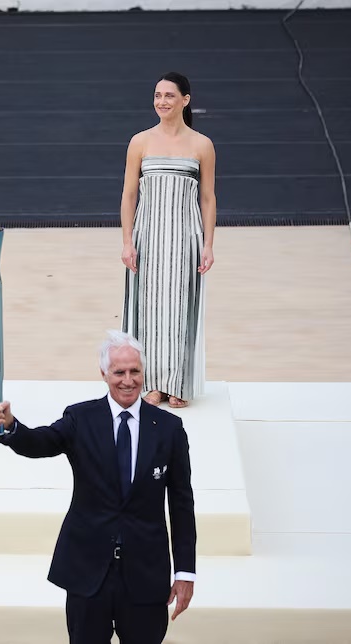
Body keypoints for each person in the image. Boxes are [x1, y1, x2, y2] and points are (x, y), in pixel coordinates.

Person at [0, 331, 196, 644]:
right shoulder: (80, 418)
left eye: (135, 371)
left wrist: (185, 573)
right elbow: (41, 442)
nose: (128, 380)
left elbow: (181, 503)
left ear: (143, 373)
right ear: (104, 374)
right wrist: (11, 425)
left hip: (145, 576)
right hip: (88, 574)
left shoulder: (168, 428)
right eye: (119, 372)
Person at [120, 72, 217, 408]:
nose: (162, 101)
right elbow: (129, 194)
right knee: (147, 310)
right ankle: (152, 383)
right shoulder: (140, 141)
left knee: (179, 310)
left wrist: (207, 244)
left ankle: (177, 383)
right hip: (148, 236)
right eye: (157, 95)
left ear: (185, 100)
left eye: (169, 96)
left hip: (184, 238)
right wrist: (127, 241)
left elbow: (207, 198)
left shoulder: (202, 144)